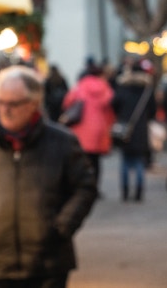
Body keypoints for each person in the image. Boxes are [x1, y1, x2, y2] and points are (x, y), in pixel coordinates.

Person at [0, 65, 97, 288]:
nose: (5, 110)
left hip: (50, 263)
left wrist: (61, 226)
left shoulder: (62, 142)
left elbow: (85, 187)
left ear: (33, 104)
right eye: (0, 102)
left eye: (13, 103)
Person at [62, 62, 115, 191]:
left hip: (81, 128)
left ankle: (84, 186)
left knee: (82, 159)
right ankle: (95, 186)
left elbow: (67, 102)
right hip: (99, 128)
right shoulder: (105, 87)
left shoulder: (80, 86)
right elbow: (111, 105)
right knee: (96, 160)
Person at [112, 58, 156, 202]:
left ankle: (125, 191)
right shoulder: (147, 90)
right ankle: (138, 192)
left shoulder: (123, 87)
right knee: (138, 162)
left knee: (125, 161)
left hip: (125, 129)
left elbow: (114, 104)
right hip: (141, 130)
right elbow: (153, 110)